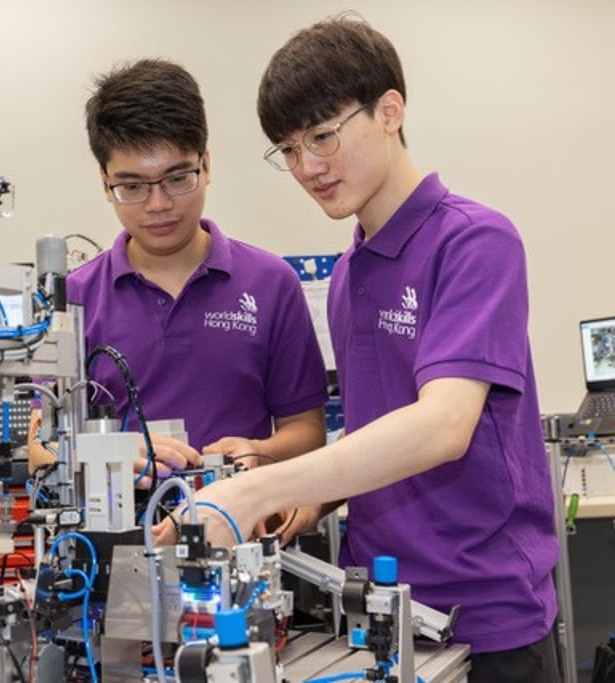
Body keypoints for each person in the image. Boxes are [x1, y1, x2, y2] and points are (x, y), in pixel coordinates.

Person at [156, 16, 561, 682]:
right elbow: (378, 437)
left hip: (484, 620)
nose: (307, 167)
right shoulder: (349, 274)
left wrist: (255, 491)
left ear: (390, 110)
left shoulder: (476, 241)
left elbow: (442, 425)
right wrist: (309, 503)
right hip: (375, 612)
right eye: (287, 149)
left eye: (322, 136)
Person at [30, 58, 329, 493]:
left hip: (241, 537)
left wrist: (258, 452)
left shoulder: (270, 282)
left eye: (177, 178)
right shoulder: (72, 299)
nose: (158, 205)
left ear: (206, 165)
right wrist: (108, 454)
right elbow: (40, 445)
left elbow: (306, 430)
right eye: (132, 186)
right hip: (114, 543)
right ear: (104, 181)